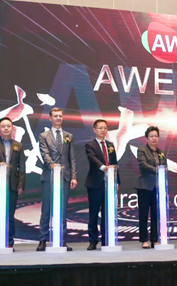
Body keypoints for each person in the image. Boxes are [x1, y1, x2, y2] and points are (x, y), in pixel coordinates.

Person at [38, 108, 77, 251]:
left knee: (62, 210)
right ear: (50, 118)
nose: (58, 118)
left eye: (60, 116)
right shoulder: (44, 136)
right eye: (55, 116)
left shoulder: (68, 136)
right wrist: (53, 165)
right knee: (46, 210)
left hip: (64, 177)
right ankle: (42, 240)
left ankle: (61, 239)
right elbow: (45, 154)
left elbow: (71, 157)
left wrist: (73, 176)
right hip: (49, 176)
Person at [0, 117, 26, 252]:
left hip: (12, 184)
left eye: (8, 126)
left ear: (12, 128)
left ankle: (9, 241)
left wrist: (21, 184)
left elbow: (21, 166)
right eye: (3, 126)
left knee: (10, 214)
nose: (6, 128)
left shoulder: (18, 145)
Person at [84, 119, 120, 250]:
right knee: (93, 213)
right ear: (94, 130)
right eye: (100, 128)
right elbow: (92, 159)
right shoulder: (90, 145)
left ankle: (106, 239)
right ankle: (93, 240)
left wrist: (117, 181)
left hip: (109, 184)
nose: (103, 130)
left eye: (105, 128)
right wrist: (103, 167)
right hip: (95, 183)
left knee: (107, 213)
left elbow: (115, 163)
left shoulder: (110, 145)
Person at [134, 126, 167, 249]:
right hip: (145, 186)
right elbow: (143, 165)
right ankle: (144, 240)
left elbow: (165, 166)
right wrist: (157, 169)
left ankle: (154, 239)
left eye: (156, 136)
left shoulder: (161, 152)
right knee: (143, 214)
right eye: (151, 136)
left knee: (155, 214)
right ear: (146, 138)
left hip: (158, 187)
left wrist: (164, 170)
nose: (154, 138)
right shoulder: (142, 150)